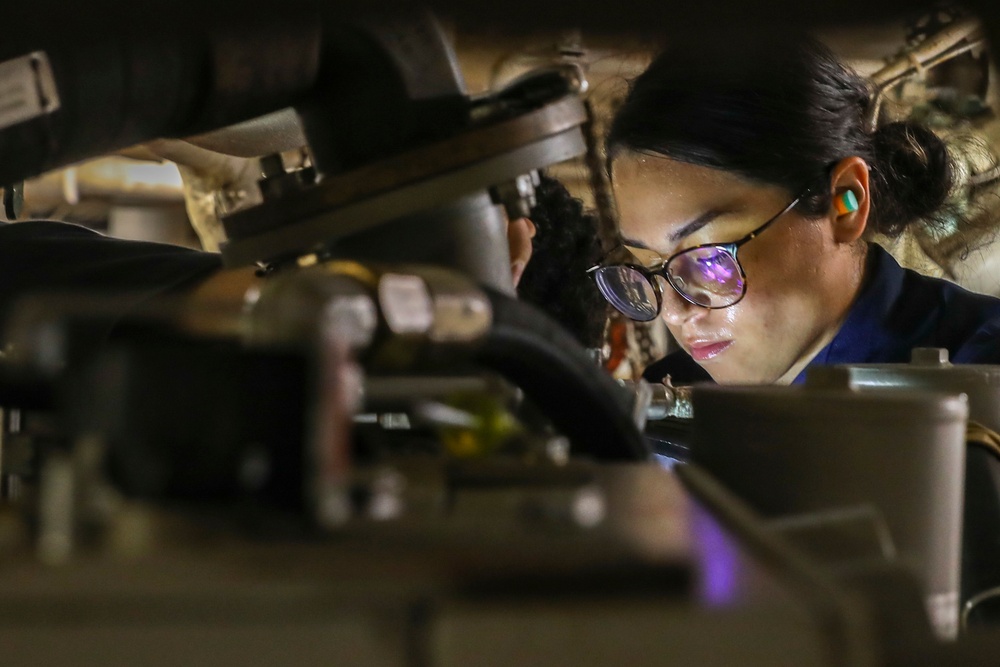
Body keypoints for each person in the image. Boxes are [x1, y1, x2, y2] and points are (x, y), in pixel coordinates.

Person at [590, 34, 1000, 386]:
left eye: (709, 260)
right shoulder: (671, 396)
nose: (675, 314)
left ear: (844, 202)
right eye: (649, 266)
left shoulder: (982, 372)